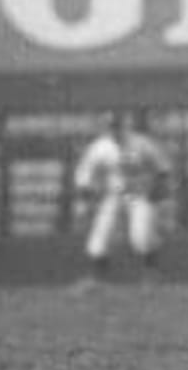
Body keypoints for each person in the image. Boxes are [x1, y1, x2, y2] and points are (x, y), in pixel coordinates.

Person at [71, 111, 174, 288]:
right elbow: (84, 175)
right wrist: (83, 200)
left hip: (140, 195)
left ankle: (152, 276)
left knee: (141, 236)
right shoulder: (100, 147)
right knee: (101, 235)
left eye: (118, 126)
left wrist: (159, 196)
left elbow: (163, 168)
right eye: (111, 127)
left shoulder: (141, 143)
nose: (114, 130)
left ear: (126, 126)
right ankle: (96, 278)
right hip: (114, 196)